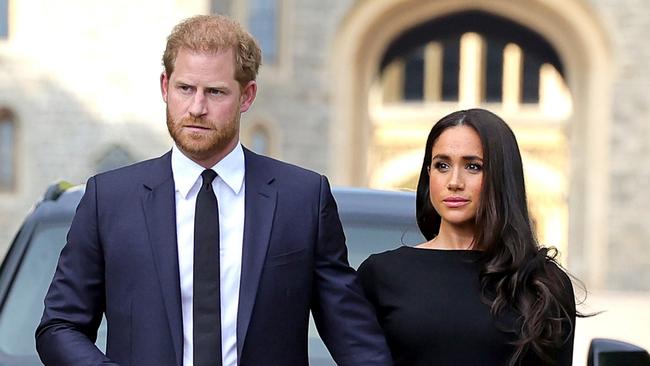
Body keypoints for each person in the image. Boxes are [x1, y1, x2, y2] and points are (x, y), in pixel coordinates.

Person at [36, 14, 392, 366]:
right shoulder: (109, 199)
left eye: (215, 92)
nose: (197, 108)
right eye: (185, 88)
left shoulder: (302, 199)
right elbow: (59, 326)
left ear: (247, 95)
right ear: (165, 86)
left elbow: (353, 338)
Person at [358, 108, 577, 365]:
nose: (454, 181)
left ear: (501, 177)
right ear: (429, 174)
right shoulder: (381, 274)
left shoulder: (542, 282)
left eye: (473, 166)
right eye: (442, 165)